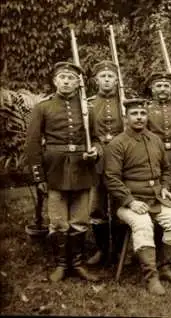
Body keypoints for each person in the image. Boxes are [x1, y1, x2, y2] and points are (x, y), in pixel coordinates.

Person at [104, 99, 171, 295]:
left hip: (157, 198)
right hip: (129, 202)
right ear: (126, 118)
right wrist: (130, 201)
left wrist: (165, 187)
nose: (139, 117)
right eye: (135, 114)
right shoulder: (117, 144)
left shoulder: (155, 139)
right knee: (143, 225)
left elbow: (167, 169)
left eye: (143, 113)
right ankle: (151, 277)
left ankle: (166, 268)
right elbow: (111, 179)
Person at [25, 62, 101, 282]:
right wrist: (39, 175)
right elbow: (32, 144)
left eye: (71, 78)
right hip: (54, 169)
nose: (67, 81)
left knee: (80, 219)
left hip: (81, 167)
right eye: (63, 78)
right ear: (55, 81)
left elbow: (95, 138)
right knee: (58, 220)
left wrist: (95, 150)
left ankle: (76, 263)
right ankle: (60, 264)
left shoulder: (87, 109)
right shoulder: (43, 107)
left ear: (78, 83)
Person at [87, 60, 125, 266]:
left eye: (111, 76)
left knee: (120, 204)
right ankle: (101, 250)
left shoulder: (124, 103)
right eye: (103, 76)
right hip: (98, 160)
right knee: (97, 206)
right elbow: (87, 135)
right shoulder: (89, 104)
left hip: (122, 159)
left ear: (117, 80)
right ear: (96, 80)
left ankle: (119, 251)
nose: (107, 80)